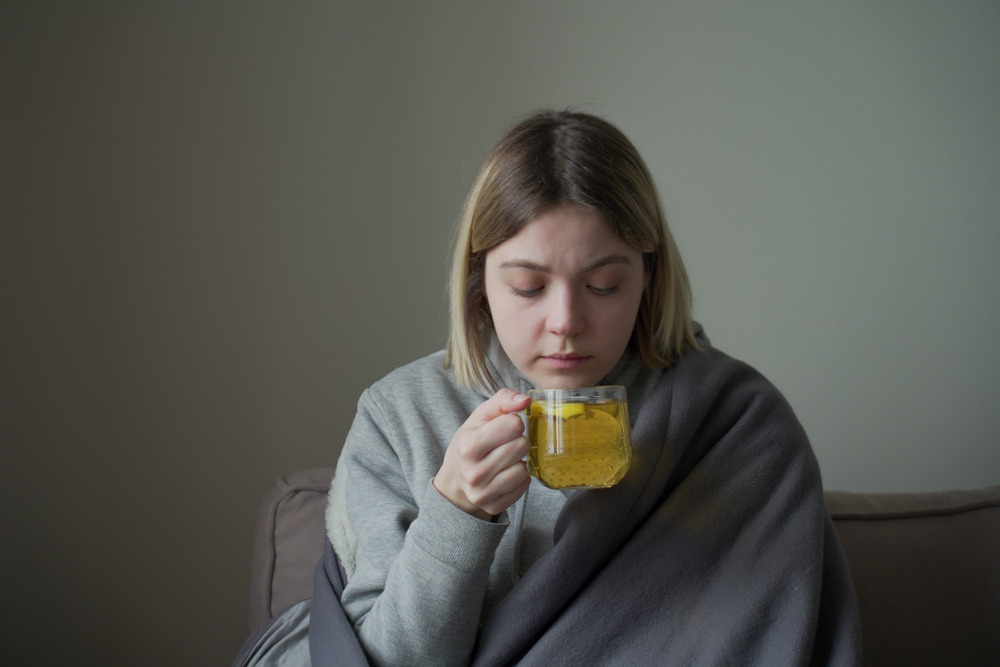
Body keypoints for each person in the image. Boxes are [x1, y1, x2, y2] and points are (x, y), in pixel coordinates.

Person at [238, 109, 862, 667]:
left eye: (604, 285)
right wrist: (455, 514)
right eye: (529, 287)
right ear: (480, 281)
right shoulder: (399, 415)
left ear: (649, 277)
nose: (565, 321)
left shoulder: (735, 423)